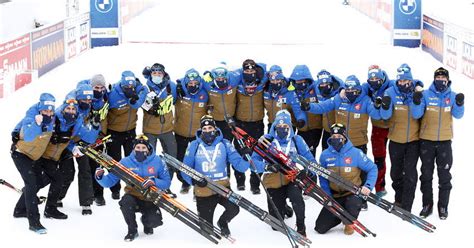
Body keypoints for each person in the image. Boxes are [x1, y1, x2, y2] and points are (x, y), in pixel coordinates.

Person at [181, 115, 250, 237]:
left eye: (210, 128)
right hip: (204, 189)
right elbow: (185, 169)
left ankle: (223, 222)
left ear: (215, 128)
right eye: (205, 129)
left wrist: (245, 157)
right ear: (201, 130)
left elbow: (241, 166)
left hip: (222, 186)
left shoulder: (225, 143)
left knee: (234, 208)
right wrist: (194, 181)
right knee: (206, 230)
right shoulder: (194, 145)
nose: (207, 131)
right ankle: (205, 221)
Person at [95, 134, 171, 241]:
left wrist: (154, 181)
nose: (140, 150)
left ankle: (147, 222)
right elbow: (110, 181)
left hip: (151, 197)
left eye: (143, 147)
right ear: (134, 148)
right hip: (133, 196)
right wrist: (100, 177)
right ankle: (132, 230)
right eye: (138, 148)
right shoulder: (125, 162)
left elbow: (166, 182)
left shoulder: (158, 161)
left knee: (155, 221)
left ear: (148, 148)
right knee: (126, 203)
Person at [251, 110, 315, 236]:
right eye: (279, 127)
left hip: (293, 179)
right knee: (276, 225)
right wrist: (267, 167)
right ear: (274, 126)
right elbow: (253, 164)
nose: (282, 129)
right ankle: (284, 208)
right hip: (273, 181)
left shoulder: (297, 140)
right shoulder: (266, 141)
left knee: (296, 197)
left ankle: (301, 225)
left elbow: (310, 159)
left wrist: (307, 171)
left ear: (290, 127)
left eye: (285, 127)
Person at [412, 67, 464, 219]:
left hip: (444, 143)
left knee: (445, 176)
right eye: (438, 77)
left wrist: (460, 104)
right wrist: (416, 102)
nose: (441, 80)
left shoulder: (452, 96)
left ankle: (443, 206)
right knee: (426, 175)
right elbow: (417, 114)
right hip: (426, 141)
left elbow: (458, 115)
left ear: (447, 80)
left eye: (443, 78)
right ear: (434, 79)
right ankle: (427, 205)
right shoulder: (426, 95)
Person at [315, 123, 377, 235]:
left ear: (344, 138)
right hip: (334, 195)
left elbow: (372, 168)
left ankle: (348, 220)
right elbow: (322, 176)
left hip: (352, 193)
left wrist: (368, 186)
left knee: (352, 203)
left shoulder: (356, 153)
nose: (336, 139)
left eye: (339, 137)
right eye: (333, 137)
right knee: (320, 228)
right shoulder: (325, 155)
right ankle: (341, 214)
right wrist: (326, 193)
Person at [380, 63, 423, 212]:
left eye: (406, 81)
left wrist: (417, 101)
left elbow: (417, 115)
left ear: (411, 81)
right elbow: (385, 117)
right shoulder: (390, 92)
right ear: (397, 81)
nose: (404, 84)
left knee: (410, 173)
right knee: (396, 173)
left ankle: (407, 205)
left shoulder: (417, 92)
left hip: (413, 141)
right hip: (395, 140)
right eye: (401, 81)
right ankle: (398, 199)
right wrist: (385, 106)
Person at [11, 93, 56, 234]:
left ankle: (20, 210)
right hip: (21, 154)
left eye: (50, 111)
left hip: (34, 156)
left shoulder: (54, 118)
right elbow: (29, 136)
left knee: (41, 180)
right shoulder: (31, 117)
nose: (48, 114)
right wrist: (37, 124)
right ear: (40, 110)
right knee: (31, 183)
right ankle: (34, 222)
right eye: (45, 111)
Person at [106, 70, 149, 200]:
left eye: (131, 87)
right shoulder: (112, 94)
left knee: (133, 161)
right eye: (126, 87)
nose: (129, 89)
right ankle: (115, 188)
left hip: (130, 130)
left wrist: (136, 95)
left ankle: (133, 187)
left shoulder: (139, 89)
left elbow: (140, 97)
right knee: (115, 161)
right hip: (114, 132)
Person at [57, 83, 97, 215]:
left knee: (85, 170)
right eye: (84, 100)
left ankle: (86, 202)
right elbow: (62, 134)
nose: (87, 102)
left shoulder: (88, 107)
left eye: (89, 100)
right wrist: (72, 147)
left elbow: (89, 135)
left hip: (81, 141)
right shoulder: (67, 109)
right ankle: (57, 197)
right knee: (67, 172)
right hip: (65, 143)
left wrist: (96, 127)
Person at [142, 63, 181, 195]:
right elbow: (140, 104)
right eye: (154, 74)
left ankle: (165, 185)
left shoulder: (171, 86)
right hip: (150, 130)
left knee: (171, 159)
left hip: (167, 129)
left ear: (163, 74)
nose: (157, 76)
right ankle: (150, 185)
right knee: (148, 159)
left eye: (159, 74)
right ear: (151, 74)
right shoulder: (145, 88)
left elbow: (176, 101)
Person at [174, 68, 209, 197]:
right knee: (181, 159)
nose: (193, 86)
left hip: (197, 135)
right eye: (190, 84)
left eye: (195, 84)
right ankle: (184, 182)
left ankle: (197, 186)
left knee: (197, 160)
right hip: (180, 131)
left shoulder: (204, 93)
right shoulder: (179, 91)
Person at [234, 59, 266, 194]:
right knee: (240, 153)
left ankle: (255, 184)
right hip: (241, 123)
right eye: (246, 71)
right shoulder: (238, 84)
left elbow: (268, 72)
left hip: (257, 123)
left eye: (252, 71)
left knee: (258, 154)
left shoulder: (262, 84)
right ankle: (240, 182)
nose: (249, 73)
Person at [363, 65, 391, 198]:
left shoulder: (391, 85)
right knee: (379, 158)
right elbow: (353, 86)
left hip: (395, 127)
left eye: (376, 78)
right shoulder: (368, 87)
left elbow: (411, 81)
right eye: (371, 78)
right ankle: (380, 187)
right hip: (378, 127)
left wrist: (418, 84)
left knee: (399, 161)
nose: (374, 81)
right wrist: (341, 90)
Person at [287, 65, 323, 158]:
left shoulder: (315, 88)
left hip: (315, 128)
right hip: (300, 127)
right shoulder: (292, 90)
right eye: (297, 81)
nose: (299, 83)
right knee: (299, 152)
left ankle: (311, 171)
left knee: (310, 152)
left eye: (301, 81)